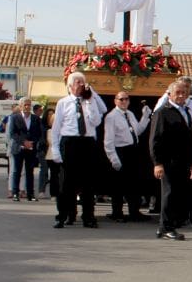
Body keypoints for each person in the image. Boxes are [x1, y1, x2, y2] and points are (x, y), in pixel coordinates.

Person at [51, 72, 107, 229]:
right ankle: (63, 215)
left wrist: (91, 98)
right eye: (77, 82)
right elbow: (56, 128)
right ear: (70, 86)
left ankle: (88, 217)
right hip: (69, 142)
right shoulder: (63, 103)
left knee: (88, 183)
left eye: (83, 82)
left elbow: (99, 116)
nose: (81, 85)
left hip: (87, 142)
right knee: (66, 183)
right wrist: (55, 149)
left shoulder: (90, 101)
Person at [150, 78, 192, 241]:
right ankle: (166, 227)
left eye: (183, 93)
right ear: (170, 94)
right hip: (168, 161)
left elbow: (191, 139)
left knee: (177, 194)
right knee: (169, 194)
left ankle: (165, 226)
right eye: (177, 93)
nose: (181, 95)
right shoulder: (162, 112)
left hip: (183, 162)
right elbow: (155, 139)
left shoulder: (185, 112)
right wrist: (157, 163)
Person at [103, 91, 152, 222]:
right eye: (121, 99)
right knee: (118, 185)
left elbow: (137, 131)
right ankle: (117, 212)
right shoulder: (111, 117)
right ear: (115, 101)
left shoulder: (129, 114)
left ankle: (134, 211)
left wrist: (145, 117)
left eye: (126, 99)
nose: (124, 102)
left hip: (132, 151)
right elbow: (108, 140)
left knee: (134, 184)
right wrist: (113, 158)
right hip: (120, 151)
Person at [7, 97, 43, 202]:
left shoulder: (35, 119)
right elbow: (13, 133)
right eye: (25, 104)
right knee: (16, 171)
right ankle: (15, 193)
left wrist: (32, 142)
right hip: (18, 148)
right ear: (21, 105)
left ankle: (30, 194)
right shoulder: (15, 118)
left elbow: (38, 133)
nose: (27, 107)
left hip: (31, 148)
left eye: (29, 105)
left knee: (29, 171)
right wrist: (24, 142)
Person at [37, 108, 57, 198]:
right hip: (43, 151)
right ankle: (41, 190)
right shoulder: (42, 126)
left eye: (52, 114)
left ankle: (54, 193)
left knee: (54, 173)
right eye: (49, 114)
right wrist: (45, 142)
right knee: (44, 171)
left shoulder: (56, 128)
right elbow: (40, 139)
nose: (51, 116)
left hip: (53, 153)